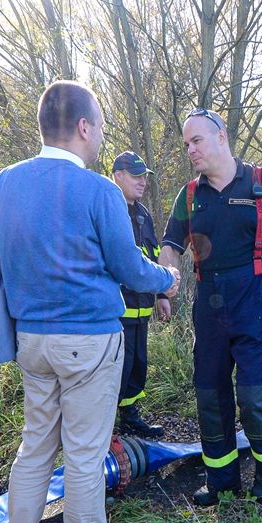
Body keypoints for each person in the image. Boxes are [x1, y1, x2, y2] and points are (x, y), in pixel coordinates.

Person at [0, 81, 180, 523]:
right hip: (89, 341)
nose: (100, 136)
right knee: (84, 451)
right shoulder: (99, 190)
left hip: (31, 343)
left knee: (35, 445)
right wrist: (166, 278)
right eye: (99, 126)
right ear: (84, 127)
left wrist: (23, 262)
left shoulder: (3, 184)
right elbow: (129, 267)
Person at [159, 107, 262, 506]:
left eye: (197, 140)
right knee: (210, 393)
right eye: (186, 143)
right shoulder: (190, 195)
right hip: (209, 306)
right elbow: (171, 245)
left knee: (255, 395)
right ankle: (221, 479)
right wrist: (164, 280)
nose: (190, 149)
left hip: (254, 301)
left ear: (221, 137)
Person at [111, 151, 169, 438]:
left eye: (144, 176)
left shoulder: (143, 214)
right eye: (136, 176)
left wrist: (162, 295)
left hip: (142, 310)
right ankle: (106, 430)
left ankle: (130, 417)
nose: (142, 181)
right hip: (115, 314)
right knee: (114, 372)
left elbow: (154, 257)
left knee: (136, 366)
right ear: (117, 176)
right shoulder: (109, 209)